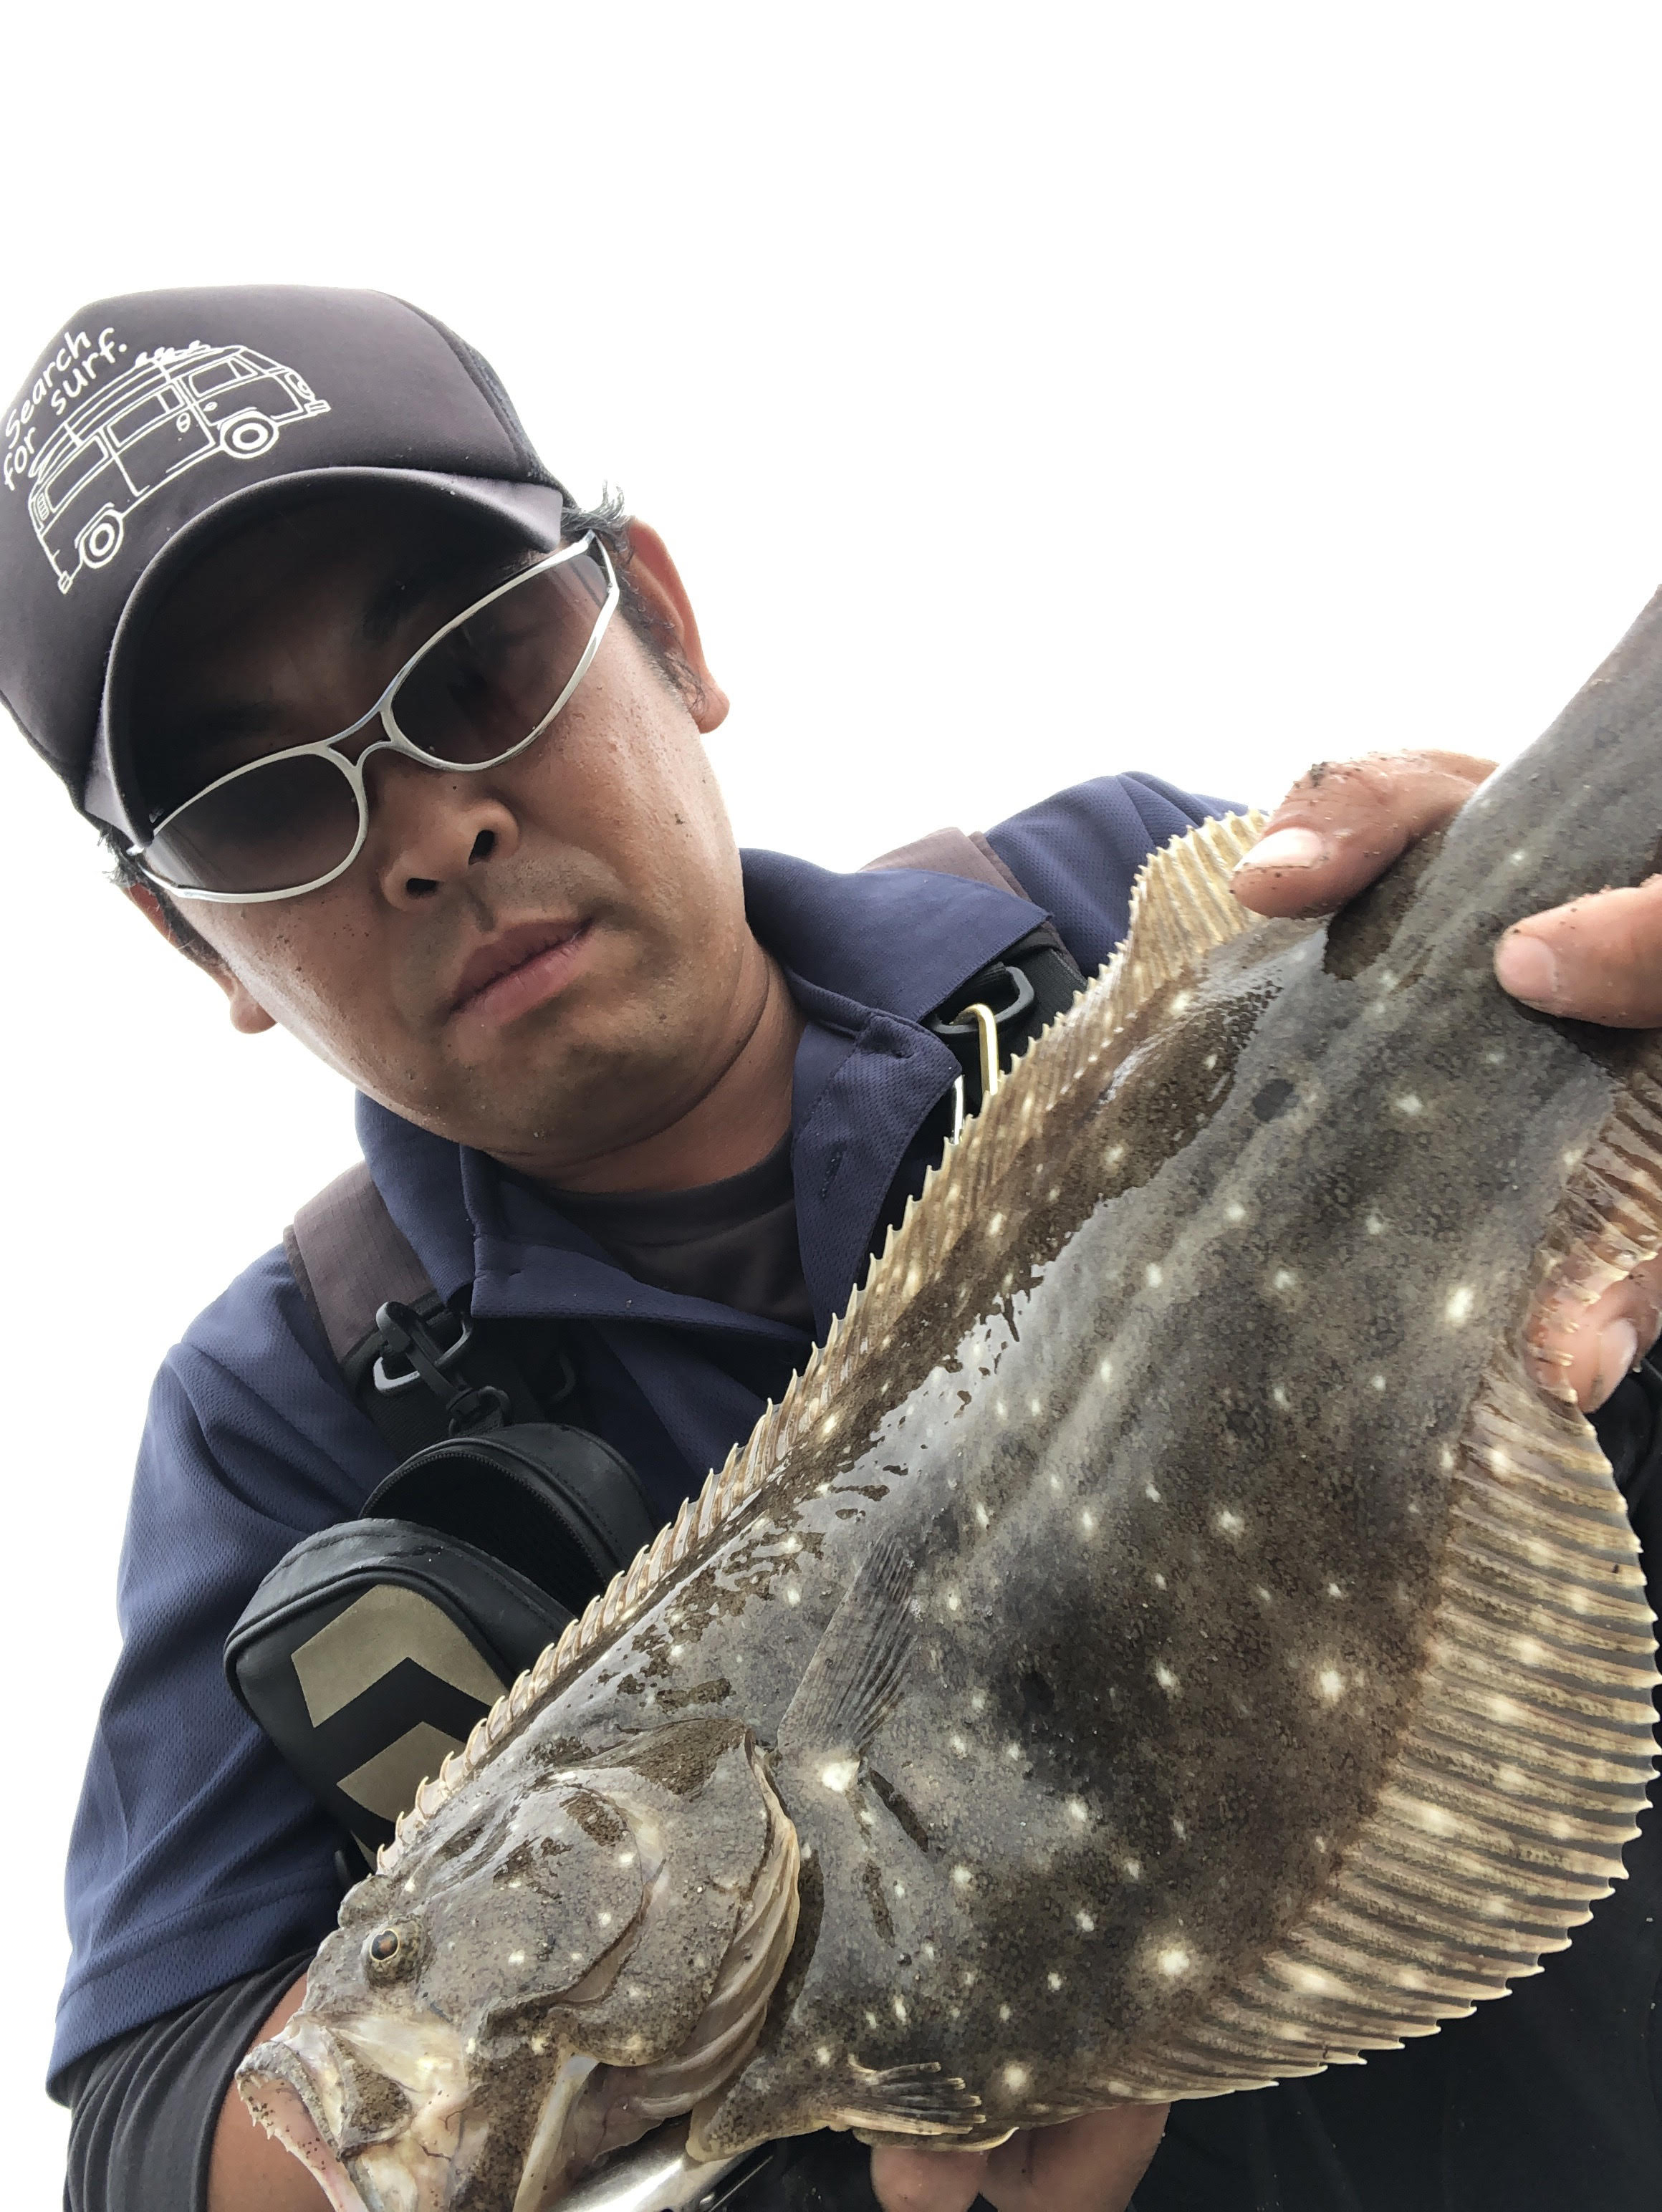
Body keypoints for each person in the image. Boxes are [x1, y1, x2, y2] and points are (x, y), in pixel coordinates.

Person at [4, 287, 1655, 2212]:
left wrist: (1577, 971)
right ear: (195, 941)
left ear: (669, 631)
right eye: (266, 803)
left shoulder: (1117, 924)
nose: (430, 832)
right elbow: (154, 2142)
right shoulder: (280, 1414)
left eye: (467, 675)